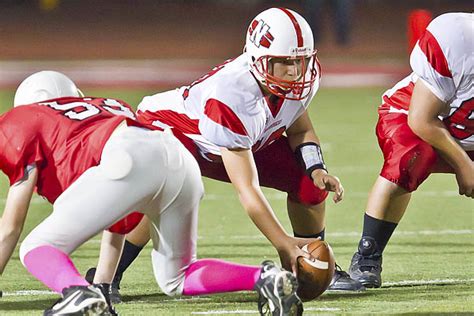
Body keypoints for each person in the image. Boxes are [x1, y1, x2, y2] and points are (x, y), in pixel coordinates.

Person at [88, 7, 364, 298]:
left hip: (236, 141)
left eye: (301, 60)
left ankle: (310, 262)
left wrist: (316, 168)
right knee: (159, 193)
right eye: (284, 63)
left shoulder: (301, 76)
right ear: (258, 60)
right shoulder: (232, 95)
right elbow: (247, 190)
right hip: (175, 132)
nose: (295, 72)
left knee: (308, 182)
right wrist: (282, 242)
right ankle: (107, 276)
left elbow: (299, 130)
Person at [0, 71, 307, 316]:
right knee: (177, 278)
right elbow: (117, 220)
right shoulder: (105, 108)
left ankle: (76, 292)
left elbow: (12, 224)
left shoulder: (25, 119)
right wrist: (103, 285)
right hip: (177, 156)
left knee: (36, 246)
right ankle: (265, 278)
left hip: (130, 156)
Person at [348, 12, 473, 288]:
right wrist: (464, 166)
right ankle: (368, 253)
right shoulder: (459, 38)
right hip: (412, 116)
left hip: (466, 129)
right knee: (413, 159)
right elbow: (421, 120)